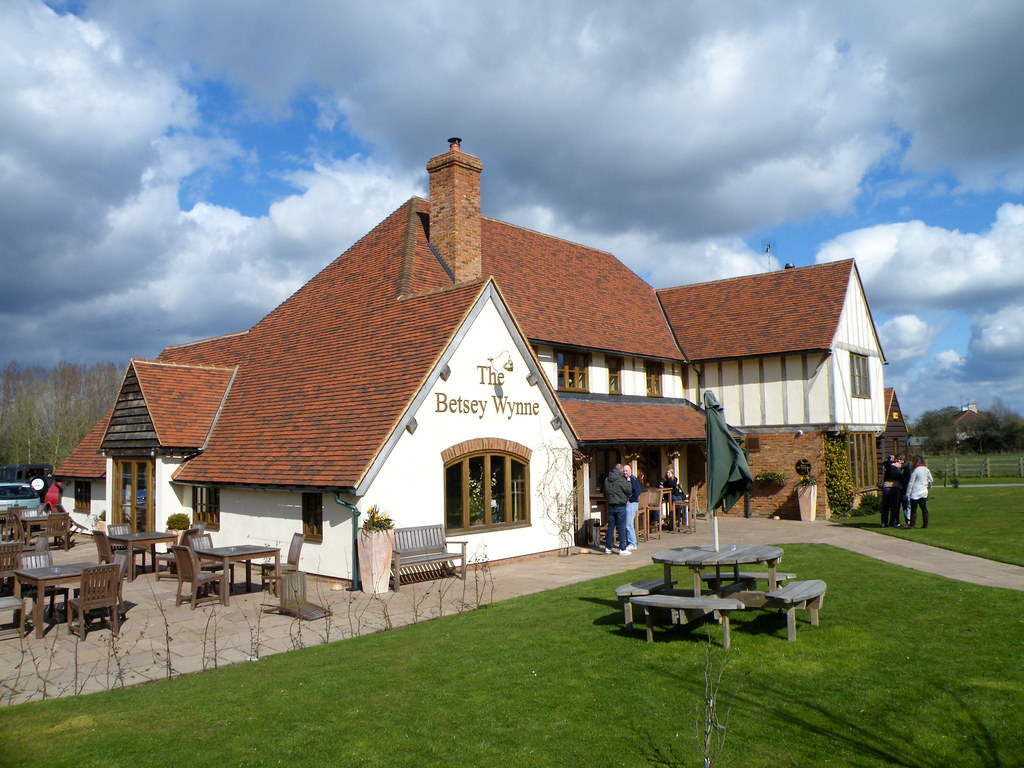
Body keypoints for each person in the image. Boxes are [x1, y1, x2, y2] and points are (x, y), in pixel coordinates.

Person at [602, 464, 632, 555]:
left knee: (610, 527)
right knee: (621, 526)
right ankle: (622, 548)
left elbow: (604, 492)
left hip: (610, 505)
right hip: (620, 505)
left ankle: (608, 547)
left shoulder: (607, 480)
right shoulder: (621, 479)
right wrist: (628, 481)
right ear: (621, 471)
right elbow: (628, 490)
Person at [907, 456, 933, 529]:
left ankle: (912, 525)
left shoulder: (916, 470)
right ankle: (925, 524)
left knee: (914, 509)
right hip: (924, 492)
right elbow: (931, 479)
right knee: (924, 508)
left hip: (915, 491)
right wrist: (927, 485)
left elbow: (910, 483)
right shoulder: (926, 469)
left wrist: (907, 493)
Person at [879, 454, 905, 527]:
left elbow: (885, 463)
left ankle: (884, 522)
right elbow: (902, 479)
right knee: (894, 506)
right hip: (895, 488)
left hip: (886, 487)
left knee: (885, 506)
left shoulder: (888, 467)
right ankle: (892, 522)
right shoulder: (897, 470)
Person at [622, 464, 642, 551]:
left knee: (629, 524)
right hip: (628, 504)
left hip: (632, 504)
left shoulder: (633, 479)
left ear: (630, 471)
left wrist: (630, 500)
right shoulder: (626, 480)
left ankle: (632, 543)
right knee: (628, 523)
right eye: (624, 471)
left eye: (626, 471)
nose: (625, 472)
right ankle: (629, 542)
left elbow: (637, 492)